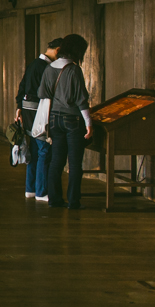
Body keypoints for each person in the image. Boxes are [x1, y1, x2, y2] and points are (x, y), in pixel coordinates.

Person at [38, 34, 93, 209]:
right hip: (73, 120)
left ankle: (54, 199)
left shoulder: (49, 68)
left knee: (56, 160)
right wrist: (89, 124)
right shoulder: (74, 70)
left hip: (54, 119)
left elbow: (42, 94)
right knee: (75, 162)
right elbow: (81, 101)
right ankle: (73, 201)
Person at [15, 38, 61, 202]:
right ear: (58, 49)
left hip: (27, 110)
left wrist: (19, 105)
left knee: (34, 149)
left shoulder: (34, 64)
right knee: (43, 150)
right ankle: (41, 191)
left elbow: (22, 86)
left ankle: (31, 189)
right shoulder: (47, 68)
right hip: (39, 110)